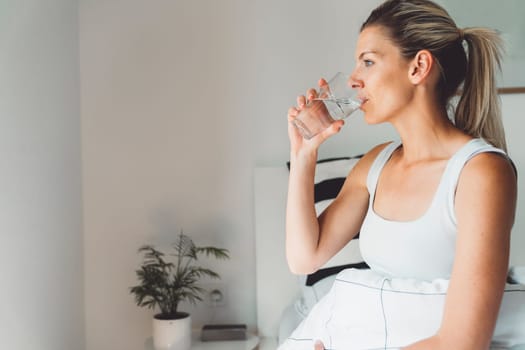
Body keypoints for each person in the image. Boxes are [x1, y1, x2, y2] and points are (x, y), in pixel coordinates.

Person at [285, 0, 517, 348]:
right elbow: (305, 258)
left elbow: (463, 342)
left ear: (418, 67)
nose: (352, 79)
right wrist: (303, 155)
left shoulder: (480, 172)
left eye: (368, 62)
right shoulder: (375, 164)